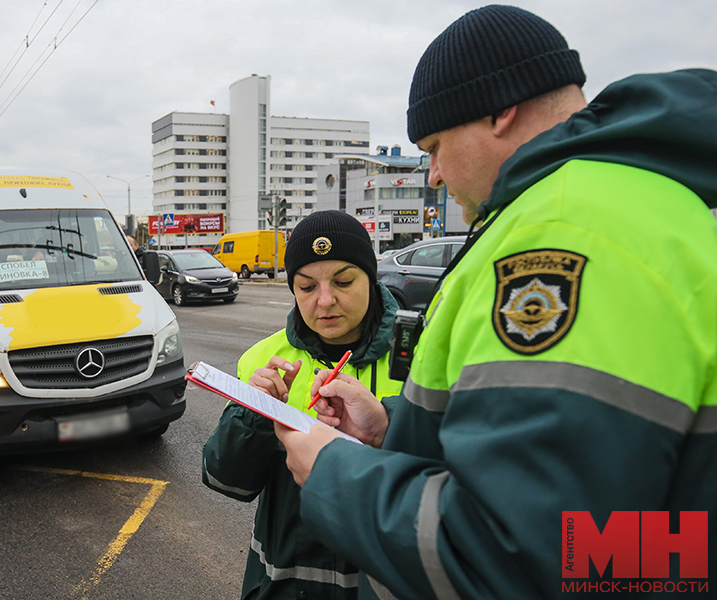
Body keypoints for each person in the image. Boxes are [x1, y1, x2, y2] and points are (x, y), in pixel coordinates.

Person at [275, 6, 717, 599]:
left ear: (500, 109)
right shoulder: (637, 203)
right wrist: (392, 429)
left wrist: (334, 473)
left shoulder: (567, 232)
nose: (431, 174)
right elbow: (629, 539)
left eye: (434, 145)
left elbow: (526, 556)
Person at [201, 211, 404, 600]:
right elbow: (226, 479)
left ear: (371, 278)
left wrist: (387, 427)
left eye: (344, 281)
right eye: (306, 286)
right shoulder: (263, 358)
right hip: (284, 585)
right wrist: (255, 415)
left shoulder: (421, 355)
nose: (325, 301)